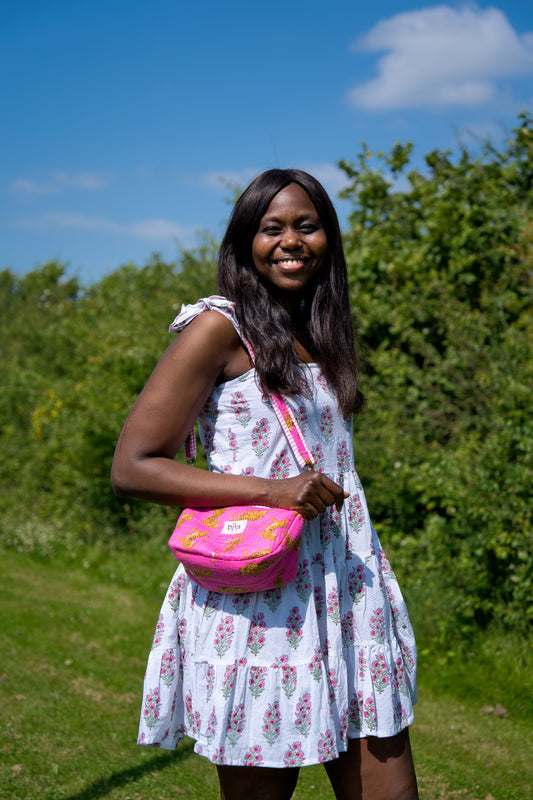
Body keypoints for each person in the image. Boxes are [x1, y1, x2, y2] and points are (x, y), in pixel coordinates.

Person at [111, 169, 418, 800]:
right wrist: (275, 492)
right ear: (243, 242)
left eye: (307, 226)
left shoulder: (323, 330)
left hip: (347, 584)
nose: (290, 240)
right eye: (271, 227)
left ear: (328, 239)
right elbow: (134, 465)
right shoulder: (218, 329)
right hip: (259, 597)